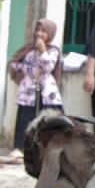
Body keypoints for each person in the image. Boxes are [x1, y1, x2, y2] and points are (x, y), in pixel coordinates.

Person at [9, 18, 63, 155]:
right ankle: (20, 148)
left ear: (50, 33)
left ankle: (53, 148)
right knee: (25, 119)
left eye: (44, 31)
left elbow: (49, 67)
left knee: (50, 120)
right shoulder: (28, 49)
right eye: (38, 30)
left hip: (47, 92)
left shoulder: (53, 51)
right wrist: (25, 69)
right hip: (28, 91)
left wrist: (43, 50)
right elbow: (14, 62)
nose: (39, 34)